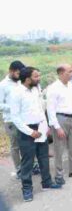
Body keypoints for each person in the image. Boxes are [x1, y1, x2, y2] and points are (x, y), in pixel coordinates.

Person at [11, 67, 62, 202]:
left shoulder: (36, 89)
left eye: (39, 76)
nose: (39, 78)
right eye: (36, 77)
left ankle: (47, 183)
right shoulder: (17, 93)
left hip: (40, 127)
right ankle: (27, 190)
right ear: (27, 79)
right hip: (26, 131)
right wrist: (30, 132)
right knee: (27, 162)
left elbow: (40, 109)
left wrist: (46, 127)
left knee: (44, 158)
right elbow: (15, 117)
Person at [0, 61, 25, 178]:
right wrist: (13, 107)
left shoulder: (20, 82)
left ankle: (29, 166)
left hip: (23, 118)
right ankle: (19, 170)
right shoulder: (3, 85)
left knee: (26, 143)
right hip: (10, 120)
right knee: (15, 146)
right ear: (11, 71)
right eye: (18, 73)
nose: (20, 75)